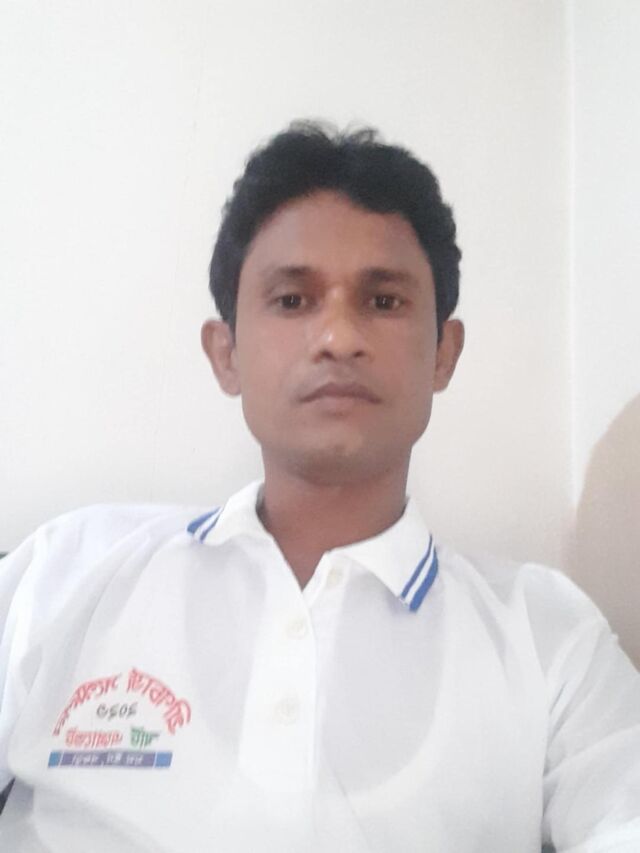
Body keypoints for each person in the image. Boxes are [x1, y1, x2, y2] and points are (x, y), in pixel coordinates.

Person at [0, 121, 638, 853]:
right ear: (225, 353)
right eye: (292, 300)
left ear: (444, 353)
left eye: (384, 301)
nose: (338, 337)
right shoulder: (64, 571)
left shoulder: (549, 638)